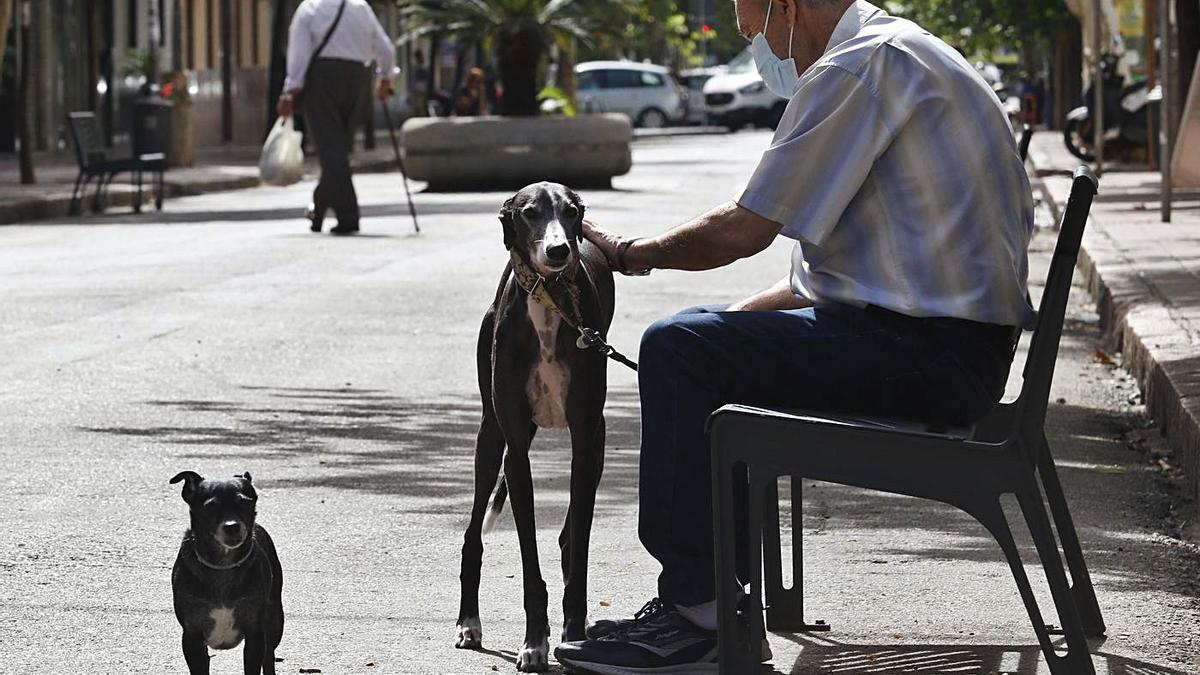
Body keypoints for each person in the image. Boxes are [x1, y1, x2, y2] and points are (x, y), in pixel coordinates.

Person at [552, 0, 1036, 673]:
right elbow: (825, 280)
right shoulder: (894, 50)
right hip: (944, 346)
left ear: (788, 6)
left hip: (930, 355)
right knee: (695, 345)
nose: (756, 45)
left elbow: (749, 225)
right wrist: (720, 331)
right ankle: (718, 601)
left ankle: (698, 618)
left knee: (676, 347)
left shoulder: (860, 67)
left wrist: (634, 250)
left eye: (752, 29)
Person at [276, 0, 395, 235]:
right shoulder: (360, 7)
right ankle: (318, 208)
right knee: (338, 151)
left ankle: (348, 215)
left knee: (331, 151)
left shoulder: (309, 8)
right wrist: (385, 78)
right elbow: (386, 49)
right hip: (357, 80)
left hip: (322, 80)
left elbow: (299, 53)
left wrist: (290, 91)